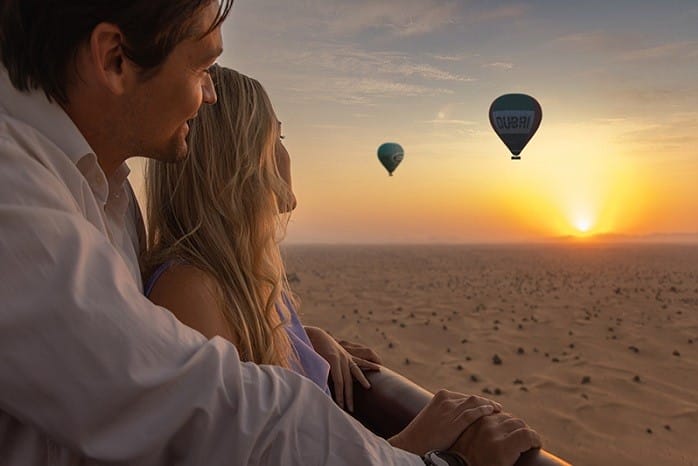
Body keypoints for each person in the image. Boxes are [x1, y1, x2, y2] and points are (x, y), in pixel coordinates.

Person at [0, 1, 541, 465]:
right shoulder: (18, 200)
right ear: (114, 58)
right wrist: (426, 458)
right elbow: (202, 405)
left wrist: (299, 338)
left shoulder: (105, 194)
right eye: (201, 67)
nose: (208, 95)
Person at [143, 66, 386, 411]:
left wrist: (304, 342)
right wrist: (414, 448)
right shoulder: (190, 291)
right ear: (238, 159)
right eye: (275, 139)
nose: (285, 156)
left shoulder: (248, 283)